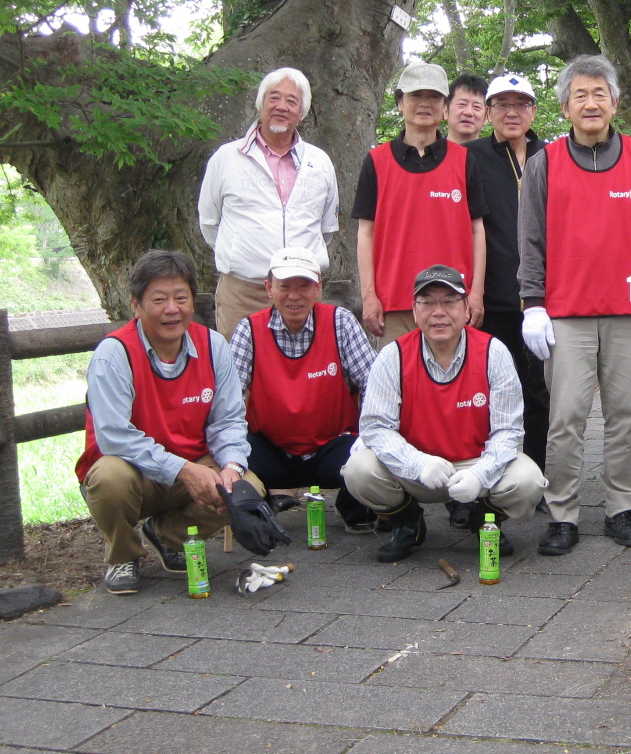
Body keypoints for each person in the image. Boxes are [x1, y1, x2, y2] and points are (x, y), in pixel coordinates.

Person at [518, 55, 631, 555]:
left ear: (614, 102)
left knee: (625, 413)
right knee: (565, 415)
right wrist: (532, 302)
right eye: (580, 95)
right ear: (565, 105)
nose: (590, 103)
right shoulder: (545, 161)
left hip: (628, 309)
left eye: (600, 94)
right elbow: (531, 240)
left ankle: (620, 507)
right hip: (565, 310)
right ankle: (563, 511)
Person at [76, 251, 261, 595]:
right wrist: (183, 470)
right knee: (109, 477)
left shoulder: (213, 345)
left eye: (181, 298)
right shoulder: (114, 353)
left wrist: (231, 467)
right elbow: (114, 436)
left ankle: (169, 537)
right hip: (134, 473)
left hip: (191, 466)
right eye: (159, 299)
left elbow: (229, 420)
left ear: (193, 301)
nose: (171, 309)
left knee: (246, 486)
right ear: (136, 304)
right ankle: (123, 555)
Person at [342, 265, 545, 563]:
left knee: (528, 481)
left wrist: (480, 473)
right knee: (359, 470)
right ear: (414, 310)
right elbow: (375, 427)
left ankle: (484, 517)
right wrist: (417, 463)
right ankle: (408, 521)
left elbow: (508, 432)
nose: (439, 312)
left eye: (449, 301)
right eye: (427, 302)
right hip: (418, 466)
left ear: (466, 309)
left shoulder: (493, 352)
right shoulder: (393, 356)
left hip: (475, 462)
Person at [228, 246, 376, 533]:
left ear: (318, 288)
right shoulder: (249, 330)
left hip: (333, 446)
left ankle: (355, 506)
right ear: (269, 289)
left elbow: (374, 384)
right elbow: (230, 399)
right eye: (284, 286)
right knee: (230, 453)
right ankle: (257, 509)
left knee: (373, 453)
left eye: (304, 286)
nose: (294, 296)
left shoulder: (340, 322)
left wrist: (369, 435)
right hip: (271, 449)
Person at [198, 67, 339, 339]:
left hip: (301, 293)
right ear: (261, 103)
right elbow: (209, 223)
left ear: (302, 112)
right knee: (242, 377)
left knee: (300, 375)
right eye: (274, 98)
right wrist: (241, 254)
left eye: (291, 101)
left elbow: (326, 228)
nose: (281, 107)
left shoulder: (319, 161)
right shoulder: (226, 158)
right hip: (243, 292)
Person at [354, 62, 489, 343]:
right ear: (401, 102)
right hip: (395, 302)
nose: (425, 104)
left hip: (453, 301)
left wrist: (476, 293)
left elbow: (478, 230)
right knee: (399, 383)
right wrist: (369, 295)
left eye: (434, 97)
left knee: (454, 384)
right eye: (416, 95)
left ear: (444, 106)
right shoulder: (377, 162)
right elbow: (365, 233)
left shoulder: (464, 161)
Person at [463, 72, 549, 475]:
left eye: (521, 104)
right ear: (489, 112)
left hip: (543, 300)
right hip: (492, 296)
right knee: (485, 390)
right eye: (502, 105)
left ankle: (534, 473)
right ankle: (482, 475)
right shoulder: (471, 156)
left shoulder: (552, 156)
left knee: (538, 391)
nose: (512, 112)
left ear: (534, 110)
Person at [446, 73, 489, 144]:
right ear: (445, 110)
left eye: (476, 107)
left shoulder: (492, 155)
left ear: (486, 116)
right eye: (462, 104)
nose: (469, 112)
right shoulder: (429, 153)